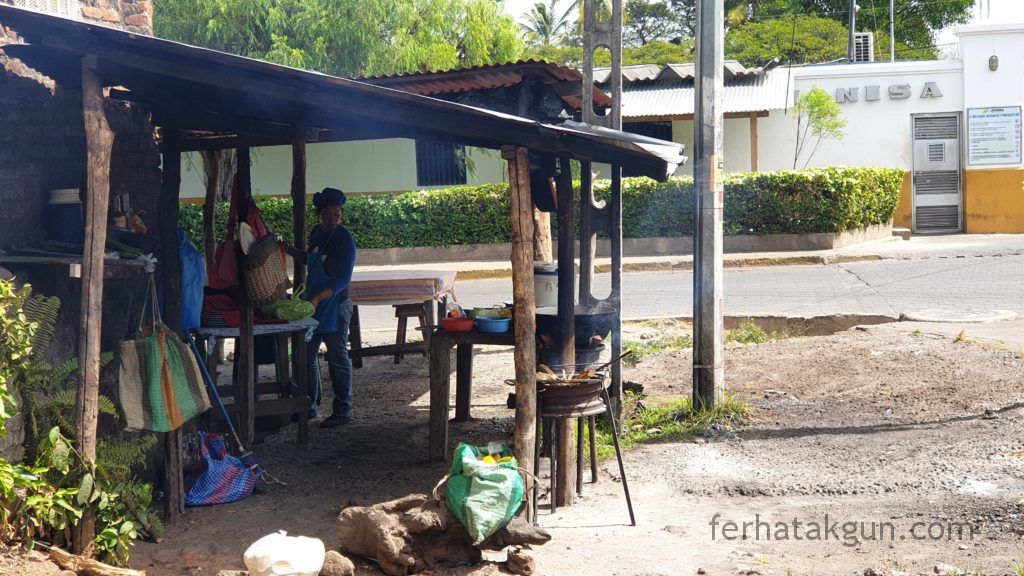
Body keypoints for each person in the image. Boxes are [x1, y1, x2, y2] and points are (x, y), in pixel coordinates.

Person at [283, 187, 357, 427]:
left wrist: (317, 299)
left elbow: (342, 279)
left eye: (337, 213)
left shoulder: (345, 240)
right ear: (319, 214)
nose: (333, 217)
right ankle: (308, 406)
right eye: (327, 213)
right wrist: (286, 249)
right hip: (313, 303)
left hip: (335, 304)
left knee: (337, 356)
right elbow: (309, 258)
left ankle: (342, 411)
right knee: (305, 355)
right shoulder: (317, 232)